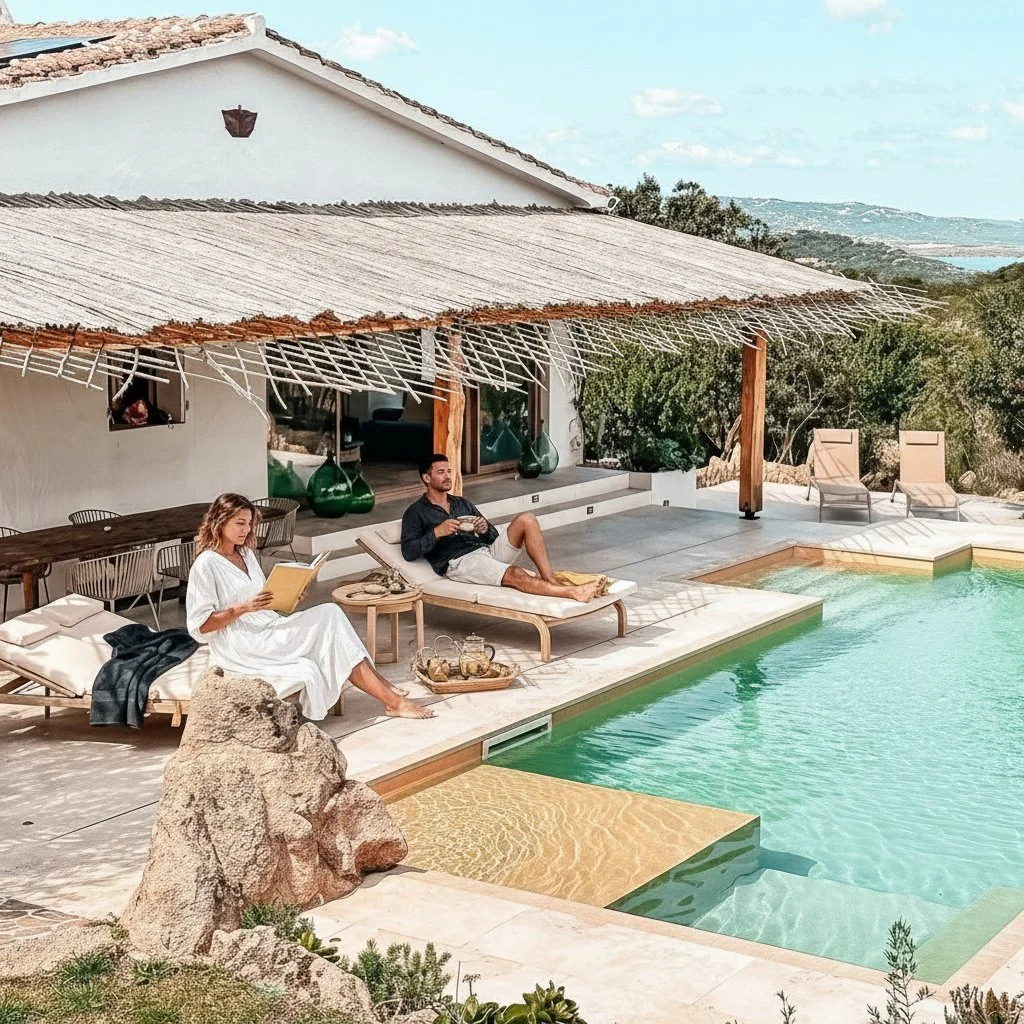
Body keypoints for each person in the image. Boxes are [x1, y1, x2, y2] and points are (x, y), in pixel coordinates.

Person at [186, 493, 432, 720]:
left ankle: (387, 695)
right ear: (220, 521)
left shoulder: (247, 555)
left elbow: (266, 605)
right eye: (240, 523)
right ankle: (390, 698)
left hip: (268, 627)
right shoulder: (206, 564)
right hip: (242, 643)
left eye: (250, 523)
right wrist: (243, 608)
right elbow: (200, 626)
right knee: (330, 616)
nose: (247, 529)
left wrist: (292, 596)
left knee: (330, 616)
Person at [400, 455, 601, 602]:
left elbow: (493, 537)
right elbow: (409, 551)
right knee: (515, 575)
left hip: (486, 551)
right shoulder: (416, 512)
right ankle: (573, 593)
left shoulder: (461, 503)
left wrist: (484, 528)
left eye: (449, 471)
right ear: (427, 478)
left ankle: (549, 578)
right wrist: (437, 532)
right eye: (441, 472)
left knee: (526, 519)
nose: (447, 476)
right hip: (460, 562)